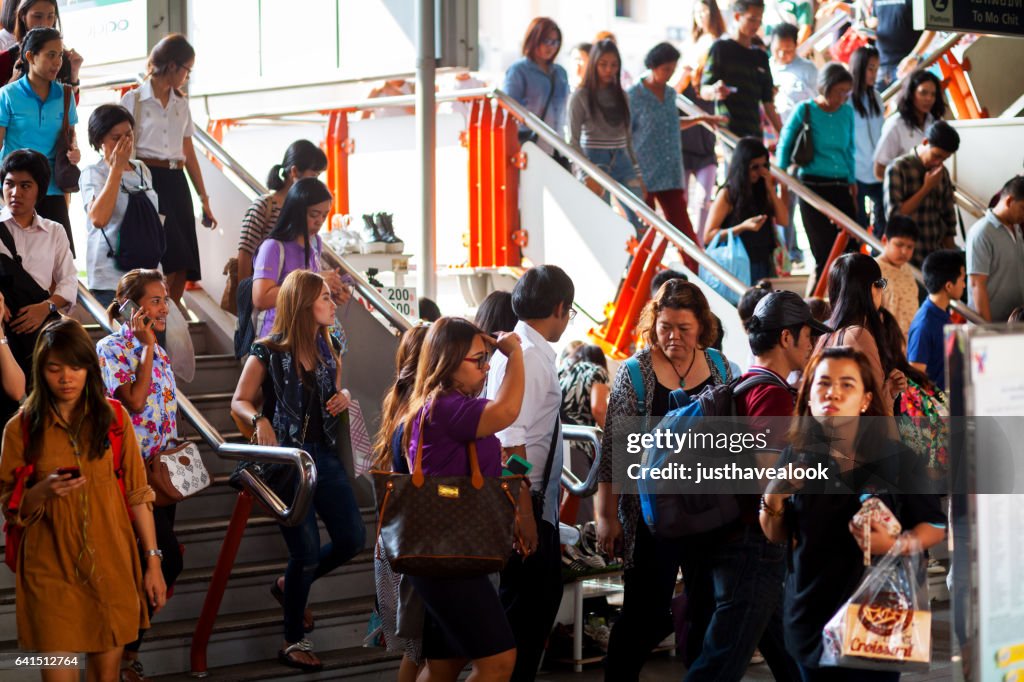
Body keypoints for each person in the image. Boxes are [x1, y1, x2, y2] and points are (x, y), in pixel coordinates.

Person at [760, 346, 945, 681]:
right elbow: (776, 534)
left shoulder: (897, 458)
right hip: (810, 619)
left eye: (847, 384)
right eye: (824, 383)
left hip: (878, 619)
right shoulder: (798, 456)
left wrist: (895, 544)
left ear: (864, 400)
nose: (833, 392)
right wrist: (773, 497)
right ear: (809, 396)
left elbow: (934, 524)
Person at [0, 318, 167, 681]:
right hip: (50, 569)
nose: (65, 378)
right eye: (54, 368)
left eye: (75, 367)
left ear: (89, 368)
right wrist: (41, 491)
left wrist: (153, 562)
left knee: (105, 677)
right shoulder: (21, 428)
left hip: (112, 566)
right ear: (41, 370)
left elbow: (139, 495)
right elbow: (11, 508)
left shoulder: (114, 417)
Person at [596, 279, 733, 681]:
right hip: (649, 514)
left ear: (702, 326)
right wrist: (606, 516)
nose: (673, 336)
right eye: (665, 326)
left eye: (683, 328)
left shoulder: (719, 367)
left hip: (707, 510)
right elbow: (615, 449)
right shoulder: (635, 373)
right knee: (644, 609)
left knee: (707, 605)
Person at [232, 270, 365, 671]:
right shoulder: (266, 350)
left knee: (352, 538)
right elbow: (239, 400)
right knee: (304, 551)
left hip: (322, 456)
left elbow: (336, 391)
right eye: (324, 297)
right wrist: (259, 419)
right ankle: (293, 640)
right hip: (287, 463)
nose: (332, 302)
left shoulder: (331, 346)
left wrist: (344, 396)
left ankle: (289, 586)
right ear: (304, 303)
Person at [401, 316, 530, 682]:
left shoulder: (439, 405)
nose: (486, 366)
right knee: (500, 661)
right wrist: (515, 355)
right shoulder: (446, 406)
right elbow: (507, 411)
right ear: (448, 360)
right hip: (450, 554)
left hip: (439, 550)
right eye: (478, 359)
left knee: (445, 665)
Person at [486, 265, 573, 682]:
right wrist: (523, 510)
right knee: (528, 608)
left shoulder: (525, 349)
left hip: (531, 500)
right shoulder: (531, 357)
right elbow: (510, 444)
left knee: (530, 603)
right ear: (560, 308)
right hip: (525, 502)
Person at [94, 269, 182, 682]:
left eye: (165, 299)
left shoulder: (159, 352)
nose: (164, 307)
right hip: (130, 479)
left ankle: (127, 650)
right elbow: (132, 400)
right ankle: (123, 652)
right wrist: (145, 348)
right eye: (154, 300)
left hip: (160, 474)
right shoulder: (110, 348)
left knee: (166, 563)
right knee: (164, 557)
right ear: (131, 307)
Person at [120, 33, 216, 304]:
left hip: (177, 179)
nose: (187, 76)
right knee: (162, 254)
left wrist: (203, 198)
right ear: (173, 65)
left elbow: (188, 152)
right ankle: (155, 311)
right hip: (147, 178)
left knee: (184, 256)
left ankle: (168, 313)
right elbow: (121, 146)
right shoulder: (134, 100)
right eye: (187, 69)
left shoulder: (181, 104)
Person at [630, 42, 725, 272]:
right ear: (652, 66)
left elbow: (672, 124)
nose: (669, 74)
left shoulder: (671, 93)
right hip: (645, 172)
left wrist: (701, 119)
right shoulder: (634, 95)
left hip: (670, 170)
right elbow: (628, 133)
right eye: (665, 69)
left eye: (672, 69)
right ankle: (640, 274)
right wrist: (634, 171)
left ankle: (695, 274)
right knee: (644, 230)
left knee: (683, 229)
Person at [370, 324, 429, 682]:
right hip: (412, 545)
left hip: (395, 540)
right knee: (423, 651)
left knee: (419, 651)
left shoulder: (400, 401)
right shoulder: (421, 412)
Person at [0, 148, 75, 425]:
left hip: (38, 336)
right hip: (2, 333)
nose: (15, 192)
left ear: (40, 190)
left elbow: (68, 281)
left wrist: (46, 308)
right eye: (9, 183)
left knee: (43, 411)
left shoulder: (54, 231)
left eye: (25, 185)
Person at [777, 62, 856, 286]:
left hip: (841, 184)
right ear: (825, 87)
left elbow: (850, 149)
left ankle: (846, 303)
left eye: (846, 93)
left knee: (849, 252)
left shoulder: (847, 113)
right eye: (838, 91)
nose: (842, 97)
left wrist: (852, 181)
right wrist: (781, 177)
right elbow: (785, 143)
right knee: (823, 252)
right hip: (812, 186)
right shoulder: (805, 109)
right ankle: (820, 305)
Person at [0, 27, 79, 249]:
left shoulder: (65, 94)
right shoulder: (8, 94)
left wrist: (75, 152)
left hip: (52, 187)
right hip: (17, 190)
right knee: (15, 258)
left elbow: (71, 139)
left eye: (60, 55)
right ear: (30, 56)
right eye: (51, 55)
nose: (58, 62)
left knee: (56, 258)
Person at [81, 104, 161, 308]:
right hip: (112, 280)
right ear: (100, 141)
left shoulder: (142, 169)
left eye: (129, 135)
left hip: (148, 277)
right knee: (125, 339)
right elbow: (98, 219)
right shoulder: (93, 173)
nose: (125, 142)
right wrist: (116, 168)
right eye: (116, 138)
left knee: (152, 339)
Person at [252, 178, 348, 338]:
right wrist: (315, 280)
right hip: (278, 338)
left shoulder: (315, 242)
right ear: (296, 212)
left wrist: (330, 294)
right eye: (314, 214)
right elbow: (261, 299)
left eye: (325, 215)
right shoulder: (273, 247)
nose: (320, 222)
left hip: (308, 337)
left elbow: (306, 297)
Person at [568, 39, 645, 236]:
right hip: (594, 161)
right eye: (603, 64)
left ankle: (633, 267)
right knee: (600, 223)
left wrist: (638, 174)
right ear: (593, 64)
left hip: (622, 159)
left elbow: (628, 140)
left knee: (639, 219)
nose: (608, 70)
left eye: (613, 65)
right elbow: (573, 142)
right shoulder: (580, 96)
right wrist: (586, 175)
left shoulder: (623, 96)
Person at [815, 253, 906, 415]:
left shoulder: (825, 336)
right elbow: (874, 407)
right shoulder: (858, 336)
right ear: (870, 289)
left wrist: (889, 390)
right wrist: (889, 396)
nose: (882, 290)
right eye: (881, 283)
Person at [236, 140, 328, 282]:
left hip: (294, 292)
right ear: (294, 171)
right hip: (266, 290)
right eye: (314, 175)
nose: (317, 182)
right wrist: (244, 297)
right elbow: (245, 253)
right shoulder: (264, 206)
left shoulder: (306, 209)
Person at [704, 137, 787, 283]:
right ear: (743, 166)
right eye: (755, 167)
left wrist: (771, 189)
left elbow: (784, 220)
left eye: (764, 166)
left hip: (764, 261)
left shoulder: (763, 189)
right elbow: (708, 236)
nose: (760, 171)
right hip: (738, 264)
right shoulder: (728, 194)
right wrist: (742, 227)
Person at [678, 0, 726, 240]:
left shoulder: (719, 44)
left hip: (705, 118)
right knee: (684, 197)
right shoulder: (691, 44)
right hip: (687, 117)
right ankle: (687, 243)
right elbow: (677, 83)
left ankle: (699, 242)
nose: (701, 16)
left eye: (705, 11)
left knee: (703, 198)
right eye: (697, 12)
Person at [701, 0, 783, 140]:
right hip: (729, 133)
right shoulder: (721, 49)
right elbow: (704, 90)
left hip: (754, 134)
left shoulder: (761, 56)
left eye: (759, 20)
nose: (756, 25)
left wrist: (783, 134)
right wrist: (714, 90)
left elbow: (767, 101)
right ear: (737, 16)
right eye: (752, 19)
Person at [883, 120, 959, 268]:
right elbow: (895, 216)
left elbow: (948, 217)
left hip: (936, 255)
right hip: (907, 257)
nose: (939, 162)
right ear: (925, 142)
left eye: (944, 158)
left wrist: (952, 258)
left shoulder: (942, 173)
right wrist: (927, 188)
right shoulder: (898, 168)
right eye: (936, 155)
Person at [503, 18, 569, 153]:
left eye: (555, 42)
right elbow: (508, 110)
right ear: (534, 39)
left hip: (559, 145)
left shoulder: (560, 72)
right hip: (531, 145)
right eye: (546, 41)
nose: (551, 47)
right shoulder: (519, 70)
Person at [965, 175, 1024, 322]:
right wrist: (987, 328)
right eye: (1023, 208)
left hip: (1012, 323)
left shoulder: (1016, 228)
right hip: (991, 327)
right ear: (1009, 201)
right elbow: (977, 285)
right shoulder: (982, 232)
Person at [908, 249, 965, 390]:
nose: (964, 285)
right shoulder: (924, 324)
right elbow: (916, 377)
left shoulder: (941, 313)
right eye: (962, 280)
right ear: (949, 286)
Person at [873, 69, 944, 178]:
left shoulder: (935, 122)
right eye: (923, 93)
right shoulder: (895, 125)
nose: (929, 98)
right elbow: (879, 170)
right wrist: (902, 185)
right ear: (911, 93)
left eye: (933, 94)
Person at [0, 0, 83, 89]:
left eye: (50, 16)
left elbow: (72, 101)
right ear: (23, 16)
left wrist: (74, 73)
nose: (45, 24)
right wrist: (13, 81)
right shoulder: (5, 59)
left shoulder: (63, 56)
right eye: (37, 16)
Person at [850, 45, 887, 237]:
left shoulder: (876, 97)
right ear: (859, 67)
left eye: (876, 68)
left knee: (883, 222)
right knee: (858, 225)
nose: (874, 74)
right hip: (856, 171)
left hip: (878, 170)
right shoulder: (847, 98)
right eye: (870, 68)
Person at [870, 0, 935, 89]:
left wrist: (914, 56)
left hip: (908, 63)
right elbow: (876, 22)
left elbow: (930, 28)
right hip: (882, 64)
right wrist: (864, 28)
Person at [874, 214, 920, 336]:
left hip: (909, 344)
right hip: (886, 344)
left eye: (910, 247)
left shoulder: (907, 270)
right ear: (885, 240)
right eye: (899, 245)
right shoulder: (875, 271)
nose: (904, 251)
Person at [559, 343, 609, 430]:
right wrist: (613, 435)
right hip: (579, 436)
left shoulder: (564, 369)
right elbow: (598, 409)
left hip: (555, 433)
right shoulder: (597, 371)